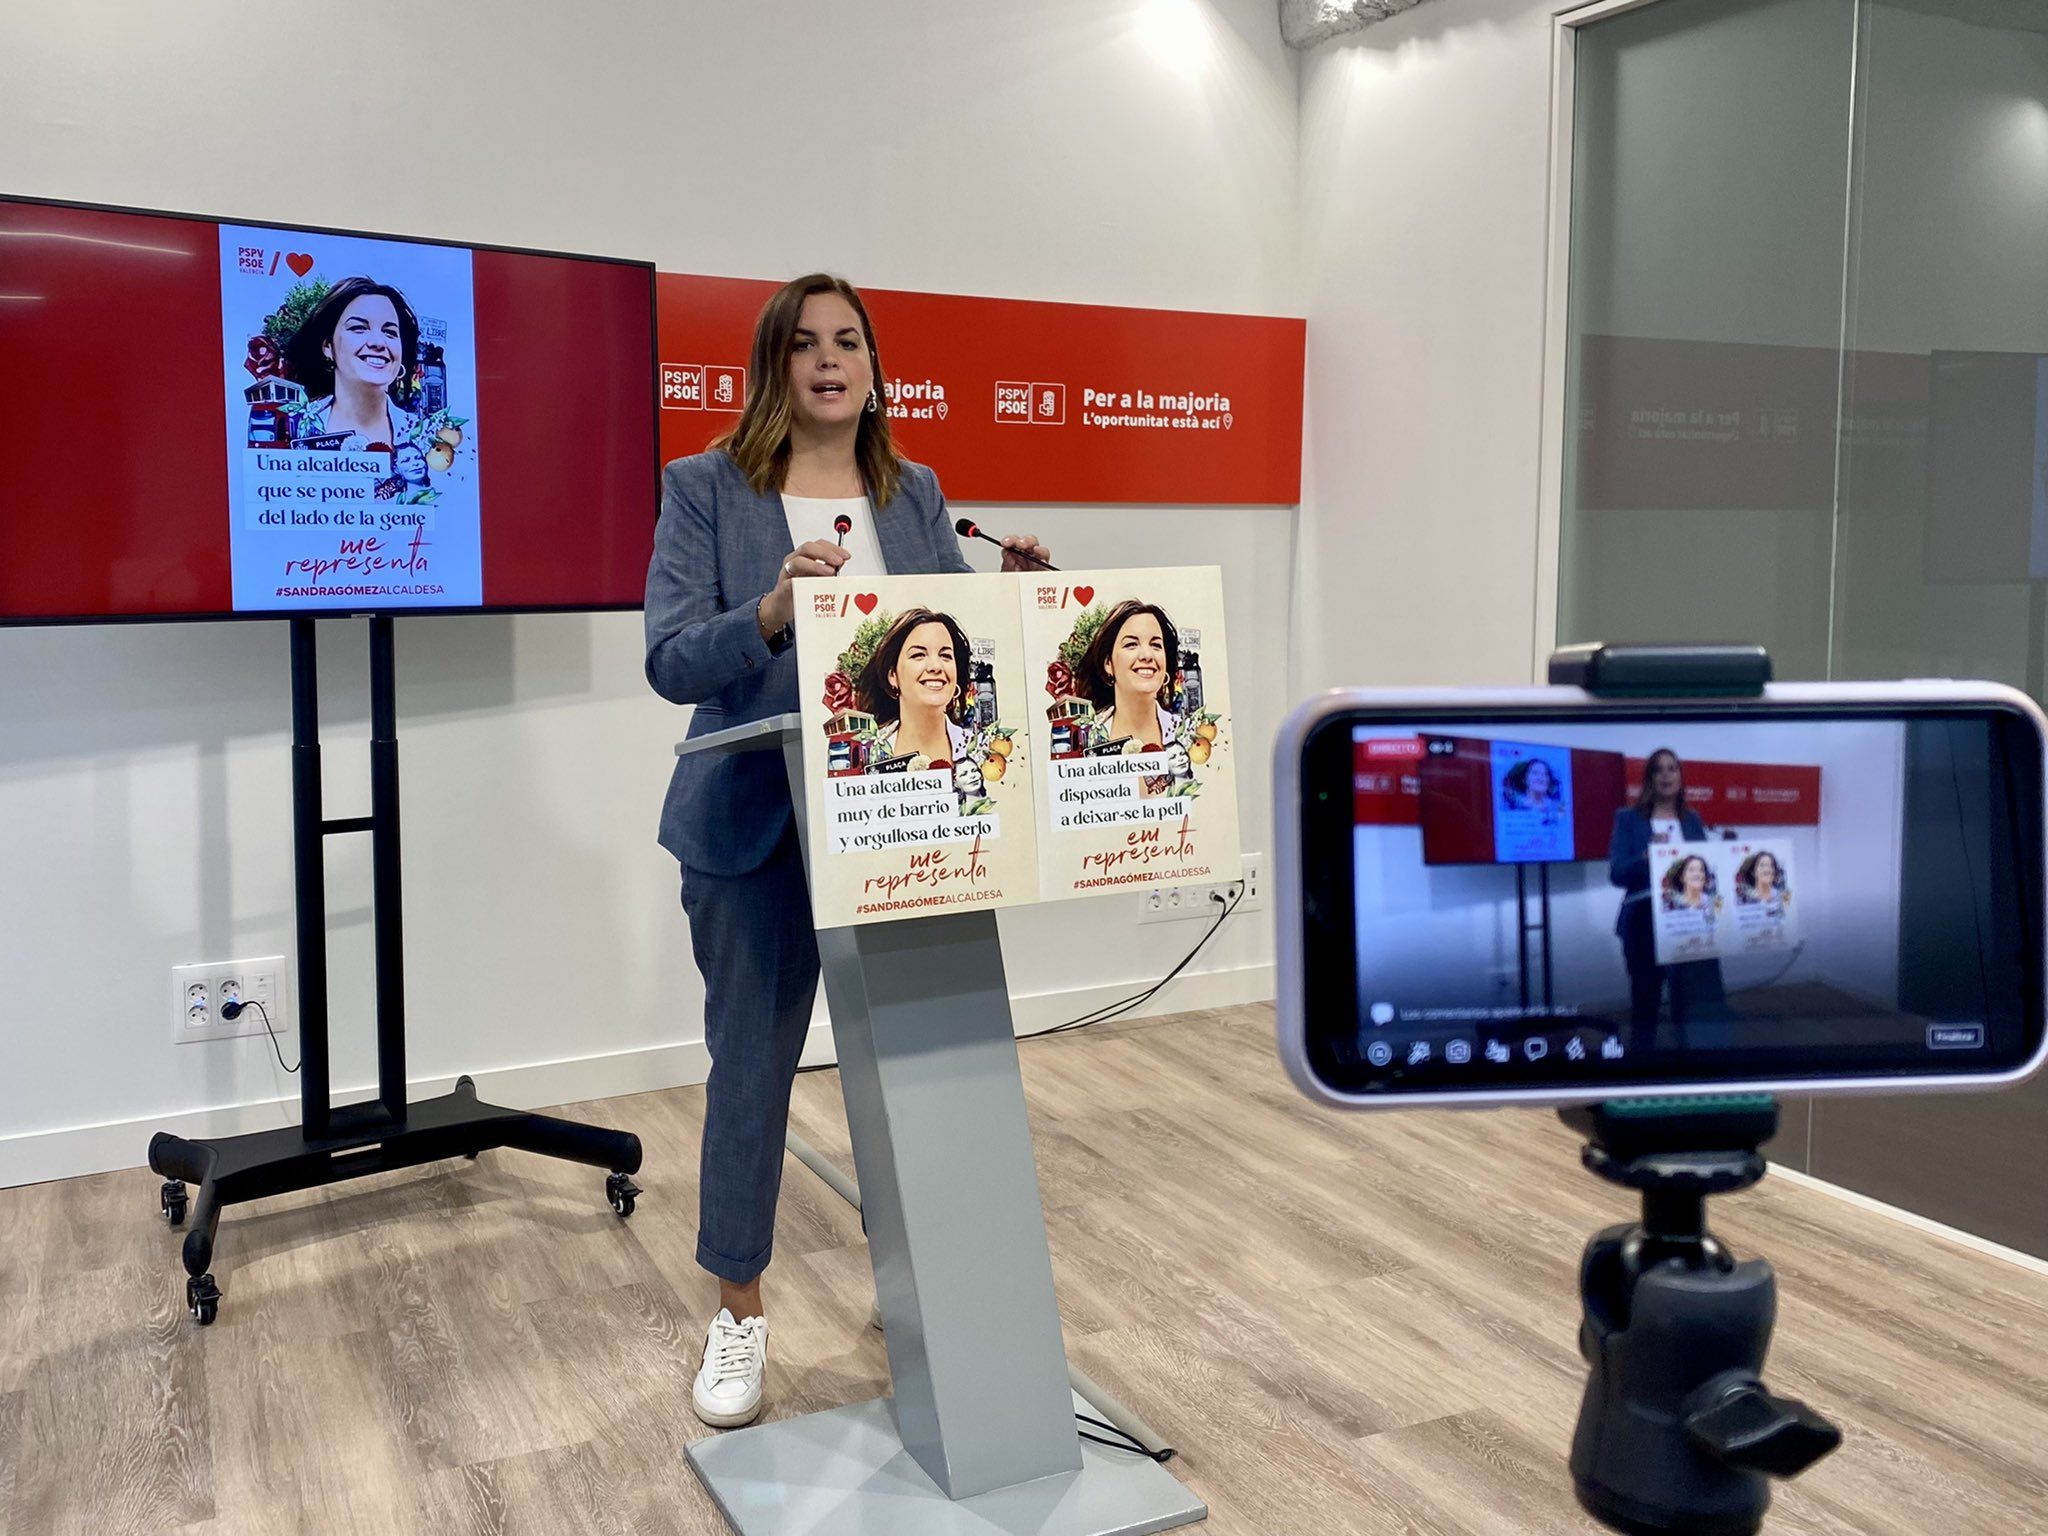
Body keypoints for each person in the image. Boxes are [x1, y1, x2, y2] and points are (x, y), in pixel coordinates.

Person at [643, 273, 1049, 1430]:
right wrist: (770, 613)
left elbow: (957, 650)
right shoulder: (704, 489)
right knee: (755, 1072)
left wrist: (1020, 604)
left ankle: (928, 1286)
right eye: (805, 344)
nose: (829, 361)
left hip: (904, 826)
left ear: (873, 367)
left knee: (919, 1062)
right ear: (773, 364)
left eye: (849, 343)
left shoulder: (911, 492)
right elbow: (671, 661)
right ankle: (737, 1314)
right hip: (754, 829)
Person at [1608, 749, 1726, 1046]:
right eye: (1658, 769)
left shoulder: (1692, 819)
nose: (1666, 775)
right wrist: (1646, 857)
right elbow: (1617, 873)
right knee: (1645, 1001)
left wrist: (1724, 857)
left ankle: (1689, 1067)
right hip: (1644, 919)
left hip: (1690, 919)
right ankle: (1643, 1067)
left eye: (1672, 769)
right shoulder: (1628, 818)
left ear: (1680, 777)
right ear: (1649, 778)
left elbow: (1706, 871)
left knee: (1690, 1003)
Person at [282, 277, 423, 451]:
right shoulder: (292, 428)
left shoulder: (426, 437)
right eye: (358, 328)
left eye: (390, 332)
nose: (378, 343)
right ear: (328, 346)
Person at [1078, 599, 1190, 789]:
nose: (1147, 655)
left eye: (1156, 645)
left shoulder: (1189, 735)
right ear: (1108, 664)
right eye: (1131, 644)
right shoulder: (1083, 740)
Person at [857, 608, 975, 768]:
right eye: (918, 655)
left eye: (945, 655)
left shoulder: (981, 750)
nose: (936, 666)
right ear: (893, 675)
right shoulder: (866, 754)